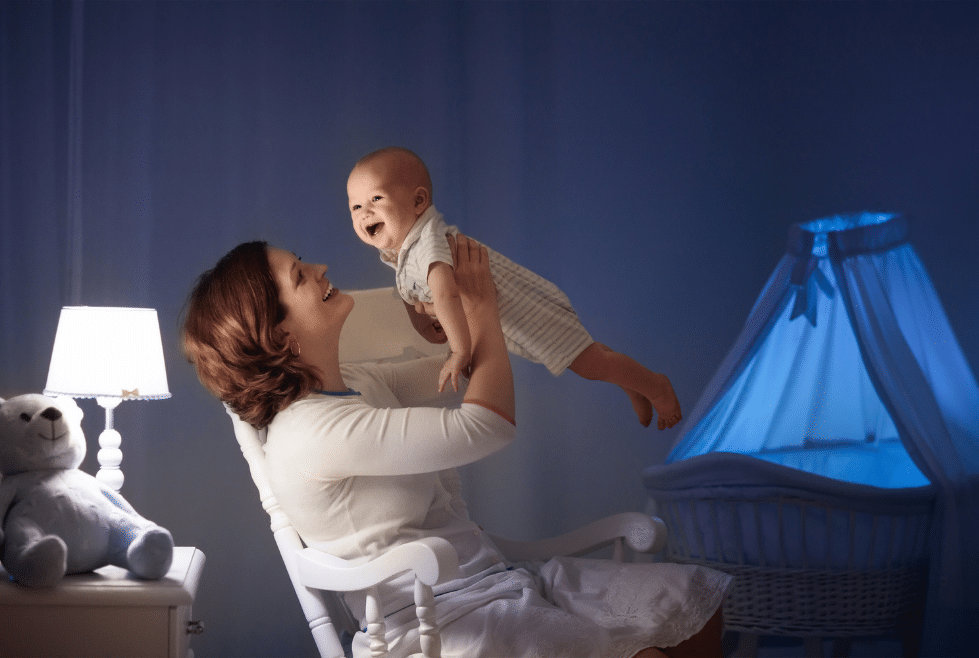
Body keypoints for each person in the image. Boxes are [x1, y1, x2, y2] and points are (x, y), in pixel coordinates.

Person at [182, 234, 730, 658]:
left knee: (696, 603)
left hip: (496, 578)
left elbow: (466, 369)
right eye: (301, 276)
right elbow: (486, 424)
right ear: (277, 335)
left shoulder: (355, 383)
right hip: (439, 622)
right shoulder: (311, 433)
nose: (321, 268)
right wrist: (483, 307)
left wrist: (457, 320)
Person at [348, 147, 683, 430]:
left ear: (419, 201)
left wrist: (460, 351)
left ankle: (655, 384)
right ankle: (631, 381)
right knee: (584, 352)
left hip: (523, 310)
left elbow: (446, 293)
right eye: (356, 206)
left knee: (588, 364)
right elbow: (418, 296)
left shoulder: (428, 244)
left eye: (377, 198)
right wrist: (428, 326)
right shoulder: (401, 252)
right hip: (509, 319)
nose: (366, 213)